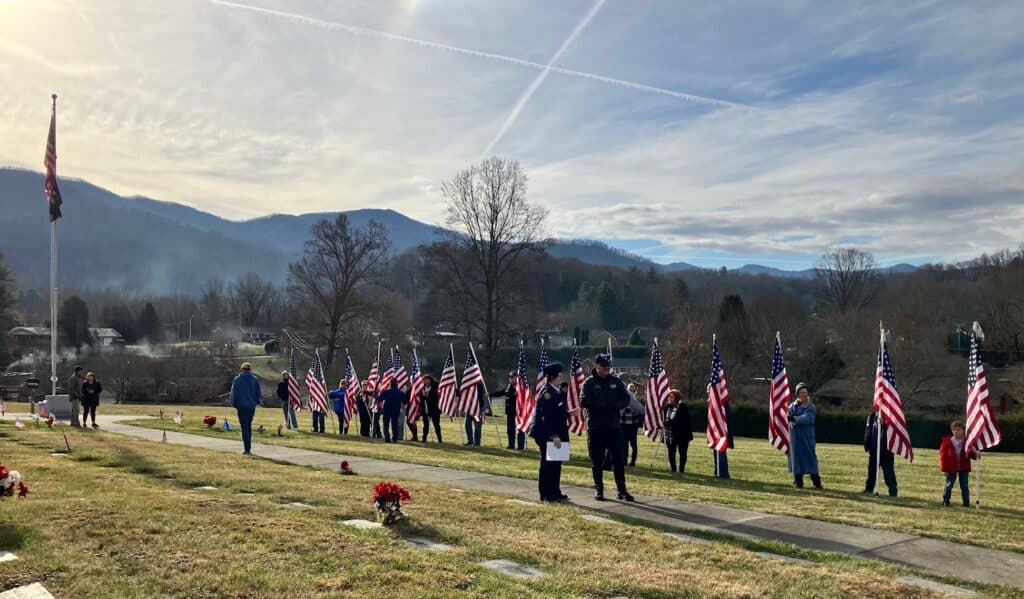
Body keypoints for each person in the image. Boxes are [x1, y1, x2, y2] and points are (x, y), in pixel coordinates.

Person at [580, 353, 634, 502]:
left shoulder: (616, 382)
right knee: (597, 461)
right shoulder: (589, 383)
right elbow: (584, 401)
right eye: (604, 366)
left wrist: (615, 406)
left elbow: (625, 398)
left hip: (613, 427)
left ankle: (621, 490)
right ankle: (599, 489)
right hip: (596, 427)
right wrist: (602, 406)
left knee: (618, 460)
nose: (607, 369)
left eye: (608, 366)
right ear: (596, 367)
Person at [531, 363, 570, 502]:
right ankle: (546, 494)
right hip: (547, 434)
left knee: (556, 464)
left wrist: (570, 414)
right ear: (553, 377)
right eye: (559, 376)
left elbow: (557, 414)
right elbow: (546, 417)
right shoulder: (547, 393)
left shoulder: (556, 392)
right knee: (548, 464)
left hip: (557, 433)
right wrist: (554, 436)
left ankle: (555, 491)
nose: (561, 378)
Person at [788, 382, 822, 489]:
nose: (804, 395)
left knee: (810, 458)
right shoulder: (792, 407)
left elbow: (808, 418)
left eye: (806, 393)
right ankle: (798, 482)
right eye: (802, 392)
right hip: (795, 437)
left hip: (806, 437)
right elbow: (786, 414)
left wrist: (795, 419)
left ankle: (816, 483)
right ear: (797, 394)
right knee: (796, 458)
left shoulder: (811, 407)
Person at [939, 421, 977, 507]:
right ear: (952, 431)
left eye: (959, 430)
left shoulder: (967, 442)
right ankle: (946, 501)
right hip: (951, 467)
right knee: (949, 485)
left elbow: (970, 453)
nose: (956, 432)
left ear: (963, 431)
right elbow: (942, 456)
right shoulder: (947, 442)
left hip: (963, 467)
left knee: (964, 486)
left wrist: (976, 455)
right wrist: (944, 469)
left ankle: (966, 503)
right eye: (954, 430)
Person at [230, 362, 262, 454]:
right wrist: (256, 402)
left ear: (242, 369)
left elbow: (234, 393)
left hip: (241, 405)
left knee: (244, 427)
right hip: (251, 406)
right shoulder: (255, 379)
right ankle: (248, 447)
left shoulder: (237, 379)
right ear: (249, 369)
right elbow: (258, 393)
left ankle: (247, 449)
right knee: (249, 425)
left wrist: (234, 404)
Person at [863, 412, 897, 496]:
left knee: (888, 472)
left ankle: (893, 491)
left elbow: (893, 430)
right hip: (874, 449)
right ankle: (869, 489)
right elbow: (868, 430)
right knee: (872, 471)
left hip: (885, 451)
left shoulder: (889, 415)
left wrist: (884, 424)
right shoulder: (872, 416)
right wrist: (867, 443)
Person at [663, 389, 693, 473]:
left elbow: (682, 420)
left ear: (676, 398)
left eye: (671, 397)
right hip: (670, 434)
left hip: (682, 434)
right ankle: (673, 469)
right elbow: (664, 417)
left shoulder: (683, 407)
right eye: (669, 397)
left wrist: (669, 423)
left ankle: (681, 469)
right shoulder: (667, 407)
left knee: (682, 453)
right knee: (671, 452)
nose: (669, 398)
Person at [494, 371, 526, 450]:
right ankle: (511, 445)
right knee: (510, 429)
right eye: (510, 377)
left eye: (512, 377)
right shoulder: (509, 386)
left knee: (520, 429)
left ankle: (520, 446)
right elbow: (502, 392)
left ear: (516, 378)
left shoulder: (520, 387)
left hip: (518, 412)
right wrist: (491, 395)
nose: (510, 379)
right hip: (510, 412)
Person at [620, 383, 645, 467]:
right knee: (624, 444)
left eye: (633, 390)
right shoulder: (623, 397)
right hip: (623, 424)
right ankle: (624, 460)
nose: (631, 391)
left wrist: (632, 409)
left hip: (632, 424)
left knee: (633, 444)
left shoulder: (635, 399)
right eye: (630, 389)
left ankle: (633, 461)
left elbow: (640, 410)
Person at [419, 373, 443, 443]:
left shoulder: (435, 386)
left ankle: (439, 439)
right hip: (425, 409)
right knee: (425, 425)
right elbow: (421, 397)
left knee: (436, 425)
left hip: (434, 409)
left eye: (427, 380)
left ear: (430, 380)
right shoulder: (422, 388)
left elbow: (434, 397)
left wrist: (425, 398)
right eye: (424, 380)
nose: (425, 382)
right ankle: (424, 439)